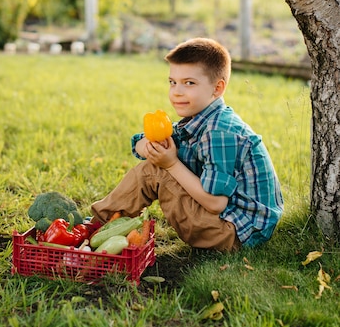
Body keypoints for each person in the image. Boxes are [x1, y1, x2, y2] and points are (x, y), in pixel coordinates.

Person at [92, 38, 283, 251]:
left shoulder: (218, 132)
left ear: (217, 88)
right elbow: (140, 143)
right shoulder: (200, 118)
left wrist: (171, 164)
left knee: (156, 172)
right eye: (172, 82)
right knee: (155, 167)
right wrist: (148, 147)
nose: (177, 92)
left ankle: (96, 227)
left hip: (234, 232)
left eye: (189, 83)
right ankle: (102, 226)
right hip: (228, 222)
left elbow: (215, 203)